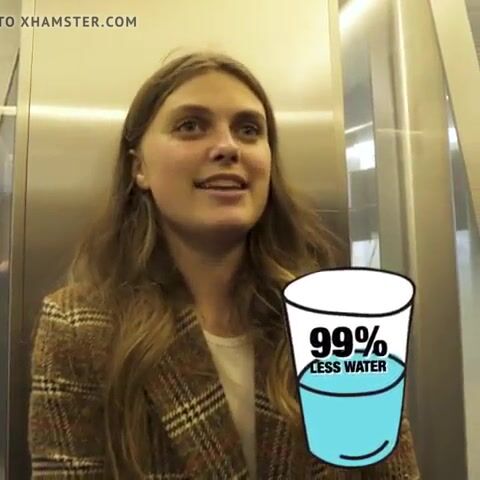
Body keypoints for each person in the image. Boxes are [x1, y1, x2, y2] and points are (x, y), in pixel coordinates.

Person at [28, 51, 420, 479]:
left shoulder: (339, 320)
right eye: (190, 125)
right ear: (140, 168)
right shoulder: (78, 327)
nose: (228, 147)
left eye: (248, 130)